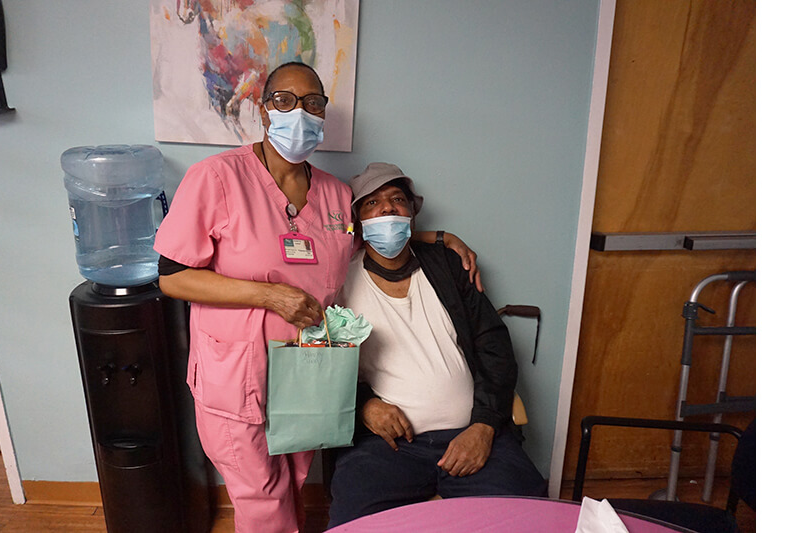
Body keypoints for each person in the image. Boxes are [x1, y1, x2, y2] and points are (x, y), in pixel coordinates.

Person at [153, 63, 481, 533]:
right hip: (236, 376)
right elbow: (172, 276)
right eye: (284, 100)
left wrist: (438, 236)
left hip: (307, 376)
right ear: (263, 111)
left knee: (291, 486)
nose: (299, 112)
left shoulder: (332, 194)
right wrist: (268, 296)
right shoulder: (216, 178)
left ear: (324, 113)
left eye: (313, 102)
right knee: (263, 501)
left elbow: (365, 240)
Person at [327, 163, 548, 528]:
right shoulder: (339, 281)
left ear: (412, 216)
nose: (387, 209)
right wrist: (364, 407)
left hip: (474, 437)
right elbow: (324, 365)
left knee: (528, 520)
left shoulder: (447, 266)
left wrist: (484, 427)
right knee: (355, 521)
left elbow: (494, 348)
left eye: (398, 200)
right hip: (389, 447)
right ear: (358, 222)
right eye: (372, 203)